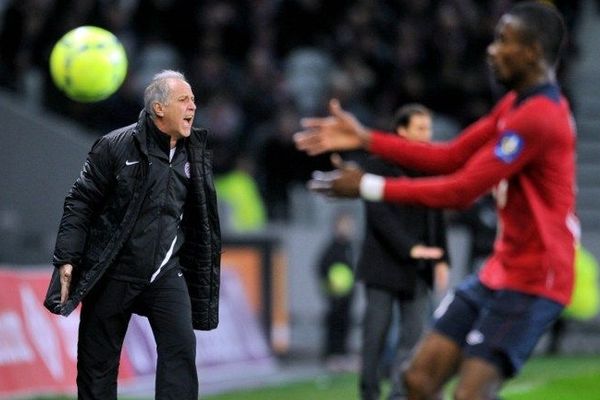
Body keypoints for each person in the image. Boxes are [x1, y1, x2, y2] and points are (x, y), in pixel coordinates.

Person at [295, 2, 577, 399]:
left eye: (503, 41)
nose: (491, 50)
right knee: (418, 379)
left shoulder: (540, 118)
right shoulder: (517, 105)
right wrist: (366, 139)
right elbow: (451, 155)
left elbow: (461, 190)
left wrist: (369, 186)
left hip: (536, 279)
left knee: (469, 394)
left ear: (531, 51)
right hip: (502, 270)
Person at [43, 70, 221, 400]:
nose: (193, 107)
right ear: (158, 108)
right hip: (112, 271)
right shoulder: (114, 146)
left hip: (165, 271)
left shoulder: (195, 152)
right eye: (183, 100)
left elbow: (201, 221)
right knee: (98, 365)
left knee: (181, 351)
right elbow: (79, 203)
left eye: (193, 99)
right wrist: (67, 258)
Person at [356, 104, 449, 400]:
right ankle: (369, 393)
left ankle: (398, 394)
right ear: (401, 131)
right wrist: (411, 248)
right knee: (376, 336)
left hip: (419, 268)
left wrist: (442, 258)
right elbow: (379, 215)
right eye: (420, 129)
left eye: (429, 129)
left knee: (413, 339)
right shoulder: (377, 166)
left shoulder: (429, 166)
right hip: (383, 264)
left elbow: (437, 214)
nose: (427, 135)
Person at [316, 211, 356, 371]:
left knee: (346, 323)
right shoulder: (332, 247)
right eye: (344, 225)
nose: (347, 228)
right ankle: (332, 355)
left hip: (348, 294)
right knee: (334, 323)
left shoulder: (349, 247)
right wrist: (330, 285)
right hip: (335, 294)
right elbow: (321, 267)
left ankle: (343, 355)